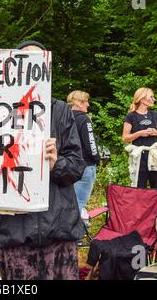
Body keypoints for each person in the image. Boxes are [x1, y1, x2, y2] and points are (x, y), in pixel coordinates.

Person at [0, 41, 86, 280]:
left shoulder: (60, 111)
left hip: (58, 232)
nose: (32, 66)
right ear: (14, 68)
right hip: (14, 235)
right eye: (25, 60)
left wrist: (56, 163)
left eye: (39, 61)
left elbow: (77, 166)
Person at [122, 87, 157, 190]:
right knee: (139, 187)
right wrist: (139, 133)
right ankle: (138, 206)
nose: (153, 99)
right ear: (142, 99)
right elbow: (125, 138)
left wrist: (155, 132)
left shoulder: (155, 115)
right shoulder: (131, 116)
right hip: (139, 157)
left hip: (155, 156)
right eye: (151, 97)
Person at [67, 90, 101, 222]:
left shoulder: (64, 117)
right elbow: (90, 142)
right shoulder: (84, 119)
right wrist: (97, 158)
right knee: (79, 203)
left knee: (69, 202)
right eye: (86, 101)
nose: (88, 104)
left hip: (67, 165)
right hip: (85, 165)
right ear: (79, 103)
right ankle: (76, 235)